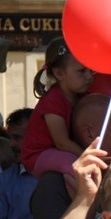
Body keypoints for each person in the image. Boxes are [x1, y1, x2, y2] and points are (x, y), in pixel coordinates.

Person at [20, 37, 93, 179]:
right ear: (59, 73)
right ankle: (85, 198)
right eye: (82, 71)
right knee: (75, 167)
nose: (89, 76)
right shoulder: (52, 101)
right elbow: (62, 142)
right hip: (39, 155)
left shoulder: (84, 96)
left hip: (61, 151)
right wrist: (88, 155)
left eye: (90, 70)